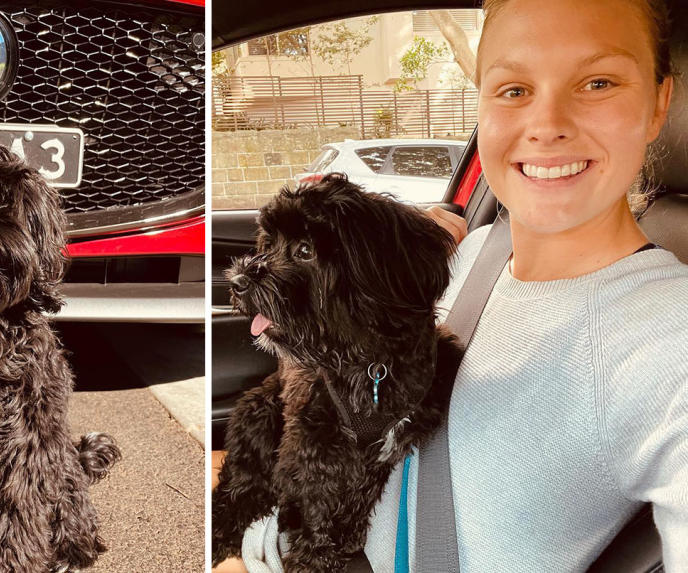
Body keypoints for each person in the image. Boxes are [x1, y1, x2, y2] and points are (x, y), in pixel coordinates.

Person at [214, 0, 688, 570]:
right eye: (513, 89)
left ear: (660, 101)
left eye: (597, 81)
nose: (548, 124)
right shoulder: (468, 257)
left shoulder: (668, 337)